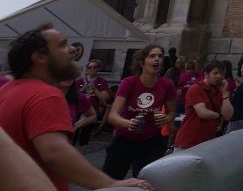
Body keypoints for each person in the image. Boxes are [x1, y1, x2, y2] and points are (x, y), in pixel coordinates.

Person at [0, 23, 151, 189]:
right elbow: (55, 153)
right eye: (62, 45)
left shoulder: (6, 90)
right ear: (39, 57)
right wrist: (109, 183)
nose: (73, 49)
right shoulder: (46, 94)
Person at [103, 44, 176, 180]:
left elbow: (172, 112)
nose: (157, 60)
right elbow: (113, 116)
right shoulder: (129, 83)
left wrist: (166, 118)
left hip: (152, 141)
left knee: (148, 182)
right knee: (109, 180)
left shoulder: (167, 85)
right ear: (142, 62)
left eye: (160, 56)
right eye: (152, 56)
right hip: (124, 139)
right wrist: (129, 123)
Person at [174, 62, 231, 150]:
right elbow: (203, 113)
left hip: (207, 142)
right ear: (206, 74)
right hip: (188, 141)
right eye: (215, 73)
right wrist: (219, 115)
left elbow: (228, 116)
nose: (219, 76)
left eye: (221, 74)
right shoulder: (196, 88)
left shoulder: (219, 92)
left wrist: (224, 94)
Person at [74, 60, 111, 145]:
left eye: (95, 67)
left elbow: (104, 98)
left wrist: (95, 89)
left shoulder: (102, 82)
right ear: (87, 69)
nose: (92, 69)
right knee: (74, 131)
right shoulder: (79, 81)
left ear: (98, 69)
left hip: (91, 111)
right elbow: (74, 97)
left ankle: (81, 153)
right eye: (90, 67)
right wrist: (82, 90)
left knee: (85, 135)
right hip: (78, 110)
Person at [63, 80, 95, 146]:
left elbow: (92, 115)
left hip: (65, 143)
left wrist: (75, 126)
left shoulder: (79, 97)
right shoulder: (44, 93)